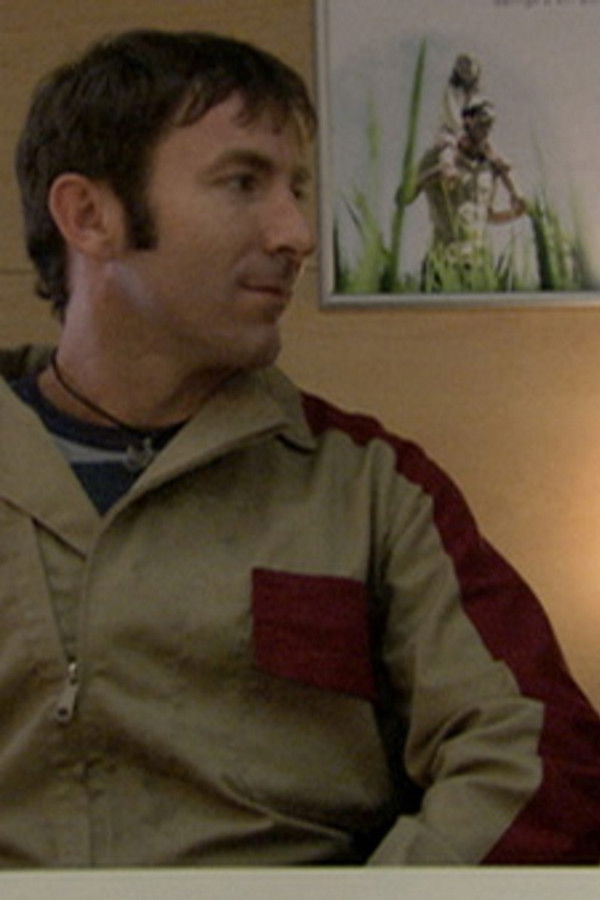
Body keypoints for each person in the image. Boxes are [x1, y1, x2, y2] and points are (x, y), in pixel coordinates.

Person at [1, 28, 599, 868]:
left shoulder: (374, 487)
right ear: (89, 216)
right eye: (243, 182)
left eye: (297, 190)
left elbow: (538, 756)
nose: (297, 234)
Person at [412, 99, 526, 291]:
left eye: (490, 124)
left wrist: (514, 212)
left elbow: (486, 216)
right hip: (443, 260)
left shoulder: (488, 169)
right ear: (468, 121)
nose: (486, 129)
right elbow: (403, 196)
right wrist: (434, 174)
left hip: (477, 264)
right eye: (482, 121)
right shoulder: (439, 155)